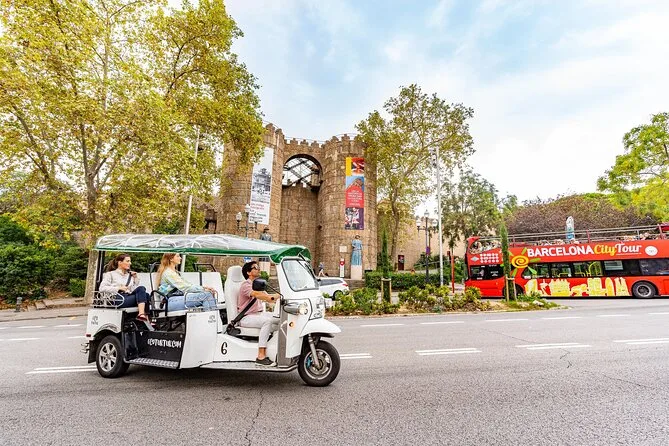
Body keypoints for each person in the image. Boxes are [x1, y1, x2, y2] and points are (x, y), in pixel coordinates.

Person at [238, 261, 279, 365]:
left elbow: (269, 297)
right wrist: (272, 297)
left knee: (279, 318)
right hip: (246, 317)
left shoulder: (257, 285)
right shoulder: (246, 285)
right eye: (255, 267)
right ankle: (261, 356)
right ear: (248, 272)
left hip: (257, 314)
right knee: (267, 321)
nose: (258, 269)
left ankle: (276, 348)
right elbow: (259, 295)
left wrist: (283, 295)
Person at [99, 253, 151, 321]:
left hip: (128, 297)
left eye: (130, 261)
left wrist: (135, 278)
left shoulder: (129, 275)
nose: (130, 263)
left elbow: (135, 291)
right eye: (127, 261)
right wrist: (118, 288)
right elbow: (102, 288)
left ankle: (142, 315)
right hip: (118, 299)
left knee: (144, 292)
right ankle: (145, 317)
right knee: (145, 296)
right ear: (120, 262)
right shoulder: (110, 274)